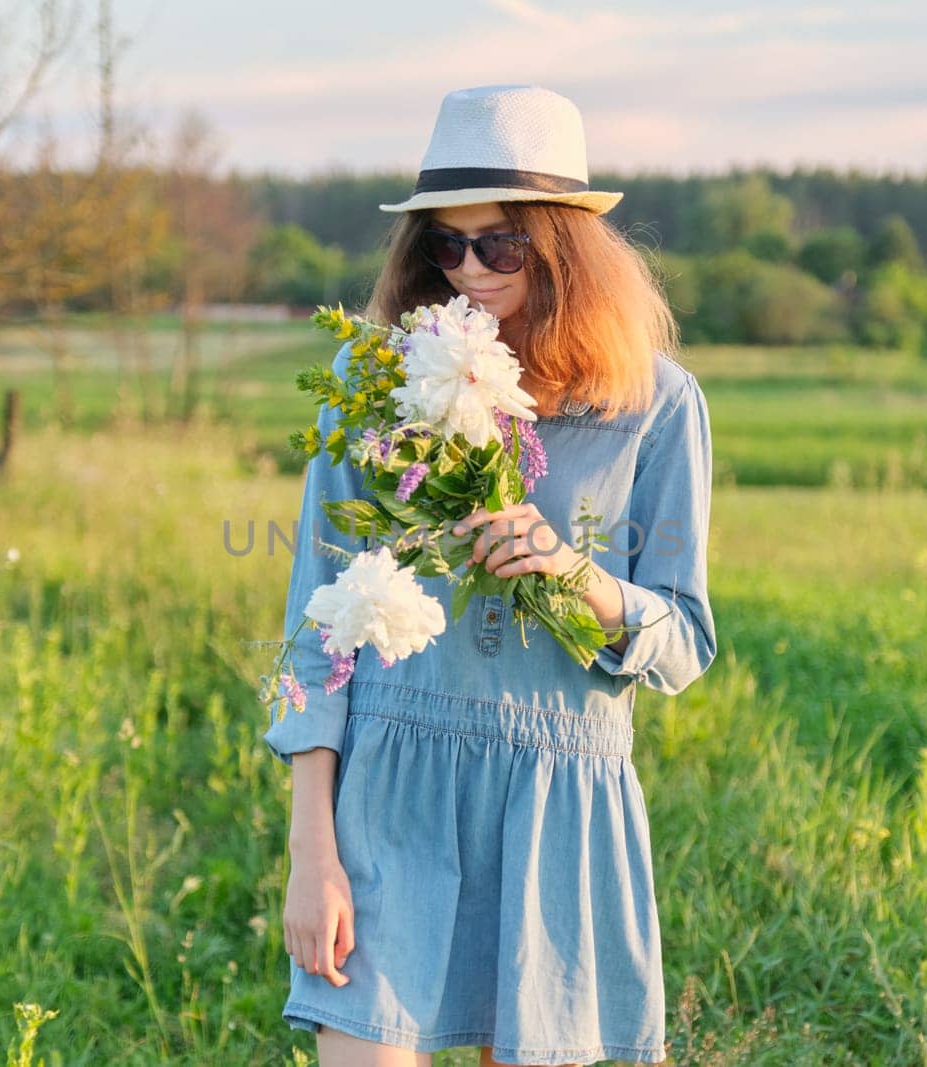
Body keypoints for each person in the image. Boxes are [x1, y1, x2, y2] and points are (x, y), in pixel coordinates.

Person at [263, 84, 718, 1067]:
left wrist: (575, 573)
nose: (470, 270)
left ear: (562, 246)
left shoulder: (655, 405)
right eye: (446, 244)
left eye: (501, 243)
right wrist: (312, 852)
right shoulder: (375, 397)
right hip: (392, 789)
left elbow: (683, 642)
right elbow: (314, 631)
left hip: (558, 799)